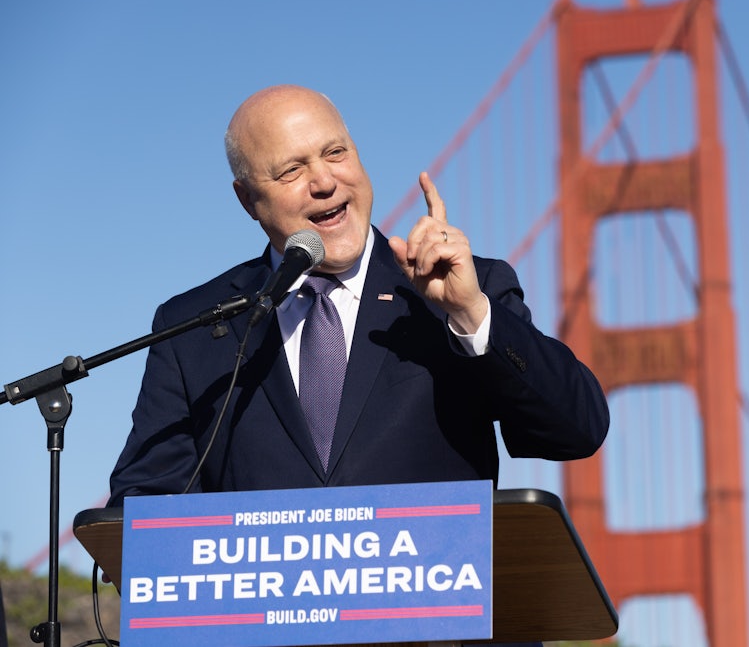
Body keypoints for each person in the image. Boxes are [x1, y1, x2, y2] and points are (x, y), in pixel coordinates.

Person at [107, 84, 609, 503]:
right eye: (291, 170)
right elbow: (144, 505)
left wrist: (471, 314)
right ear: (247, 200)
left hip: (437, 620)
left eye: (335, 152)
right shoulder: (194, 326)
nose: (324, 181)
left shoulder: (467, 289)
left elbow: (576, 430)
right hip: (262, 621)